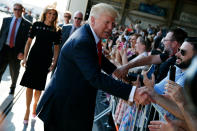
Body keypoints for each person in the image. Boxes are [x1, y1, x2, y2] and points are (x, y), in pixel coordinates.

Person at [36, 3, 149, 131]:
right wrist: (132, 93)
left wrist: (116, 71)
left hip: (71, 105)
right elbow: (95, 77)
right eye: (107, 22)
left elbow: (98, 57)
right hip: (63, 109)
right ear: (93, 20)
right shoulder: (83, 41)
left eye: (113, 24)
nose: (110, 27)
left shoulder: (89, 35)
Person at [20, 6, 61, 125]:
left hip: (45, 59)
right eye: (50, 13)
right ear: (45, 14)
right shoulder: (36, 25)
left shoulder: (56, 30)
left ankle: (35, 105)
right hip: (33, 57)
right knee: (29, 85)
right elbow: (28, 42)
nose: (52, 16)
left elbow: (57, 48)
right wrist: (25, 58)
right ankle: (27, 110)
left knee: (38, 87)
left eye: (54, 14)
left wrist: (54, 63)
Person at [114, 28, 187, 80]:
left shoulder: (177, 63)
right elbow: (150, 59)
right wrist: (126, 67)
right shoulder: (167, 55)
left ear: (174, 43)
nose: (163, 42)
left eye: (165, 40)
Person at [0, 3, 31, 95]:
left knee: (14, 72)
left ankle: (12, 86)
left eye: (19, 9)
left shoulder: (27, 24)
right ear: (13, 10)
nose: (17, 11)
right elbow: (1, 35)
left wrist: (23, 53)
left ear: (22, 10)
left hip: (16, 51)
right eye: (15, 9)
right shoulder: (6, 20)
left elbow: (27, 41)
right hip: (4, 49)